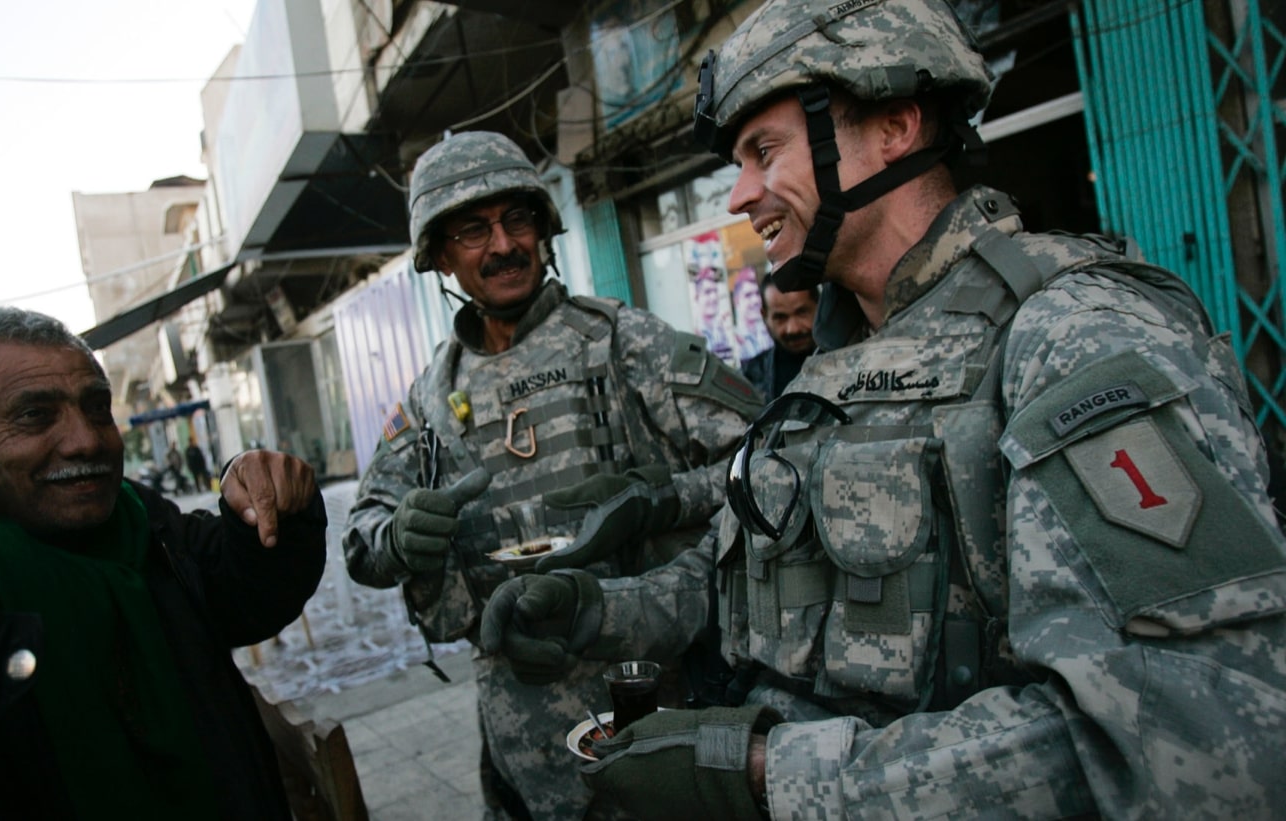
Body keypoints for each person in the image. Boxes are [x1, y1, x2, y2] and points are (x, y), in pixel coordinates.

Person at [482, 1, 1286, 817]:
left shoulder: (1068, 336)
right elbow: (750, 582)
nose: (740, 195)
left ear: (895, 126)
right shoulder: (830, 364)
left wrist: (763, 771)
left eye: (765, 151)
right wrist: (602, 612)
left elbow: (1196, 738)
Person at [343, 130, 760, 819]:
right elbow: (362, 536)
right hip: (517, 741)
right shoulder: (430, 398)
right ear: (440, 255)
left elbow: (767, 464)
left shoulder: (622, 343)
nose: (503, 244)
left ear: (544, 225)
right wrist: (399, 536)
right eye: (474, 230)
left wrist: (657, 501)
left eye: (518, 219)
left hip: (648, 705)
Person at [0, 307, 328, 819]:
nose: (85, 440)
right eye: (35, 416)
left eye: (97, 408)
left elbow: (249, 597)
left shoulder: (142, 519)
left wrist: (272, 506)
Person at [739, 280, 818, 400]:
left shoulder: (845, 361)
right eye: (781, 318)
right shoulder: (750, 378)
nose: (793, 329)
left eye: (801, 313)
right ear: (764, 316)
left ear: (819, 307)